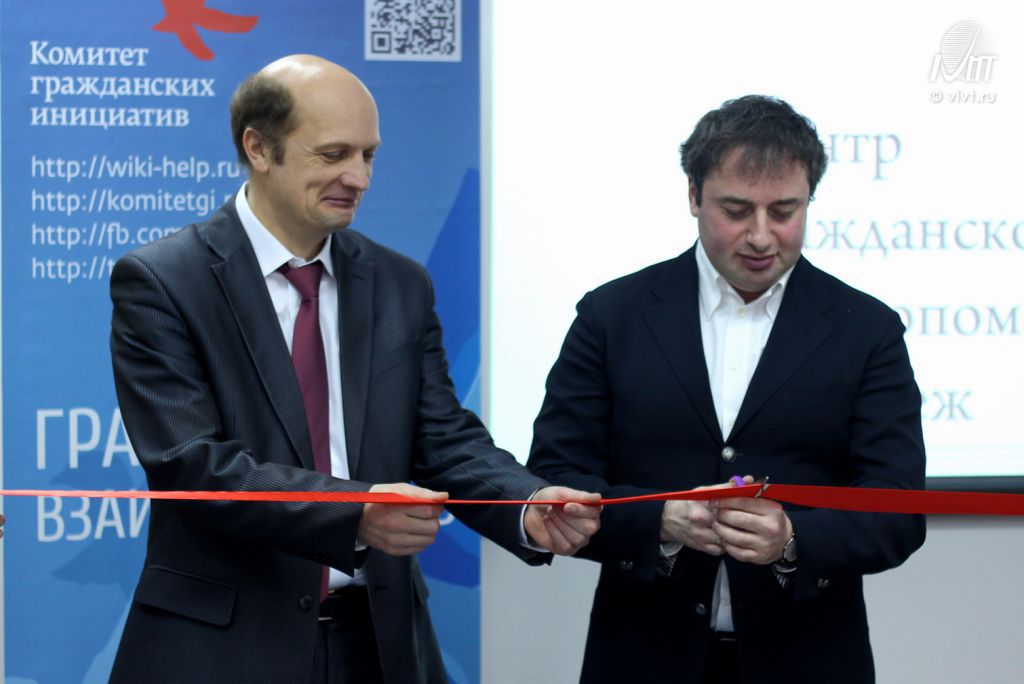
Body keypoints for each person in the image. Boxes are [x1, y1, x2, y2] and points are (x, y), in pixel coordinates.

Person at [108, 54, 600, 684]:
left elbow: (442, 438)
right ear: (259, 148)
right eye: (334, 154)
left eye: (369, 155)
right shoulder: (164, 280)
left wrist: (525, 503)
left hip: (378, 644)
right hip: (222, 648)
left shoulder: (399, 284)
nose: (359, 177)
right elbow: (192, 464)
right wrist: (355, 510)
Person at [527, 95, 925, 683]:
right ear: (694, 196)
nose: (761, 236)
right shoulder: (612, 317)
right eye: (736, 210)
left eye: (784, 211)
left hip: (809, 661)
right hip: (642, 659)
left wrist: (794, 538)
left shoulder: (867, 330)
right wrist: (658, 520)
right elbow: (555, 477)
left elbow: (898, 509)